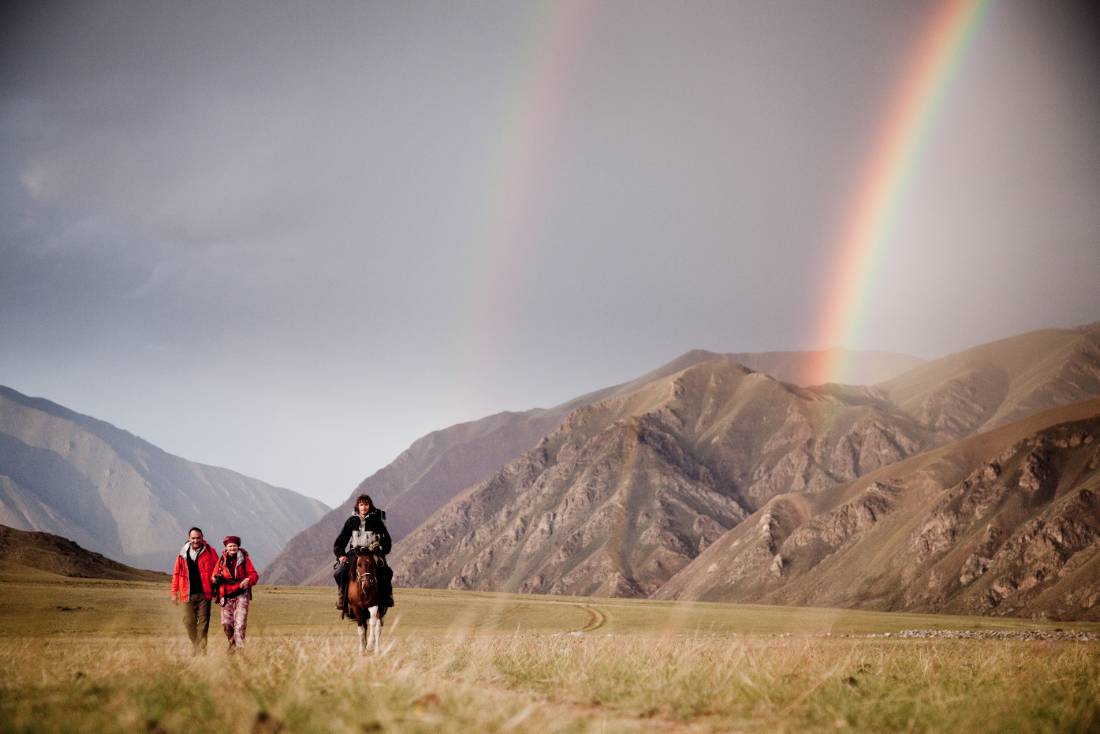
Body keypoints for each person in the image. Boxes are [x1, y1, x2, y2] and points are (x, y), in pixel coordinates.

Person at [333, 494, 393, 611]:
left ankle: (387, 597)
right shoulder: (351, 521)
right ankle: (342, 597)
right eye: (361, 505)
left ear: (370, 506)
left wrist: (380, 548)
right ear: (357, 506)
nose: (364, 507)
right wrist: (341, 555)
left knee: (386, 571)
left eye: (366, 504)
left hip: (372, 553)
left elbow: (387, 541)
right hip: (354, 553)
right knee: (339, 572)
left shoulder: (376, 521)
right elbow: (340, 541)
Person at [170, 526, 219, 655]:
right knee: (188, 622)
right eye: (193, 538)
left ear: (202, 538)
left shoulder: (210, 551)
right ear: (189, 538)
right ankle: (196, 645)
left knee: (203, 623)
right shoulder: (182, 554)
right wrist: (174, 593)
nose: (196, 540)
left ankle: (201, 651)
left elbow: (218, 568)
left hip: (205, 594)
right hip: (187, 594)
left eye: (198, 538)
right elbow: (176, 574)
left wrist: (216, 582)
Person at [211, 535, 259, 654]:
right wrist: (216, 579)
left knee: (240, 624)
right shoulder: (221, 560)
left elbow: (254, 575)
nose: (232, 548)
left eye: (234, 546)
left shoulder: (244, 559)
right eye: (230, 546)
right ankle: (232, 644)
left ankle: (239, 651)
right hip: (226, 595)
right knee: (227, 624)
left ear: (238, 547)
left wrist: (248, 580)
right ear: (226, 548)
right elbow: (213, 576)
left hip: (241, 594)